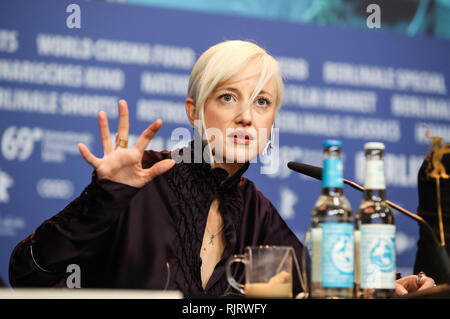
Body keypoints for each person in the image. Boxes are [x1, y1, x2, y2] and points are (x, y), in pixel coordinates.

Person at [8, 40, 434, 298]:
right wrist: (102, 199)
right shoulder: (139, 178)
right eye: (229, 97)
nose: (247, 116)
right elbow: (25, 277)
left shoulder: (254, 211)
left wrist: (389, 286)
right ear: (194, 111)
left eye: (262, 102)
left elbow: (316, 286)